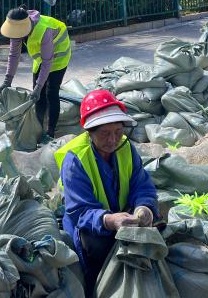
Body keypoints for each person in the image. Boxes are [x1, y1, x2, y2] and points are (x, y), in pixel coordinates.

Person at [55, 90, 158, 294]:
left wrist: (144, 207)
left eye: (118, 131)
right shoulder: (75, 160)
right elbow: (79, 211)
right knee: (97, 246)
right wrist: (109, 220)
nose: (112, 140)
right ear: (90, 132)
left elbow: (141, 185)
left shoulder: (126, 148)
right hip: (88, 227)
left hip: (120, 217)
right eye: (104, 133)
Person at [0, 6, 72, 143]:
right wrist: (7, 80)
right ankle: (38, 126)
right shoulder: (17, 28)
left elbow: (47, 62)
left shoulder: (44, 30)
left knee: (51, 92)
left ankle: (50, 132)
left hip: (59, 56)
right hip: (41, 58)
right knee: (37, 96)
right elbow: (14, 55)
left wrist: (39, 87)